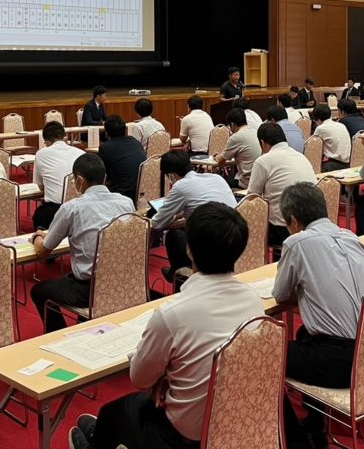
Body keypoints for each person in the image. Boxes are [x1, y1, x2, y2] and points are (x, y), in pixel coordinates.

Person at [73, 203, 261, 449]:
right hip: (235, 419)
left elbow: (140, 378)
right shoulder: (253, 300)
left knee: (114, 412)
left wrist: (161, 377)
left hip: (186, 434)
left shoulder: (173, 314)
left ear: (189, 250)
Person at [273, 182, 364, 449]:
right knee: (304, 333)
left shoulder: (296, 243)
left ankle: (299, 440)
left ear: (294, 220)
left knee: (264, 359)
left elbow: (280, 294)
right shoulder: (352, 238)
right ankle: (315, 421)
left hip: (339, 360)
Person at [30, 154, 134, 332]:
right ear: (104, 177)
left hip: (89, 289)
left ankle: (58, 334)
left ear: (80, 181)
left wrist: (38, 236)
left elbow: (43, 251)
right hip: (123, 280)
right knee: (69, 278)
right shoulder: (126, 203)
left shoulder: (72, 208)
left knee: (39, 291)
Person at [152, 151, 237, 275]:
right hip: (235, 236)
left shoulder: (181, 186)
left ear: (171, 175)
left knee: (174, 235)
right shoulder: (216, 177)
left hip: (212, 242)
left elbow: (157, 223)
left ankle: (181, 274)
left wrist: (173, 218)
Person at [247, 123, 316, 248]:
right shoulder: (301, 157)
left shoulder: (263, 160)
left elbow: (252, 198)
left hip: (284, 229)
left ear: (262, 143)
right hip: (311, 226)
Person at [32, 120, 84, 229]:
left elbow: (41, 187)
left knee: (39, 215)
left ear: (47, 142)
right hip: (81, 208)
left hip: (56, 210)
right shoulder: (81, 153)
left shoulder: (41, 154)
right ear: (64, 137)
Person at [98, 115, 146, 200]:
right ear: (125, 130)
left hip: (122, 194)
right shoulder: (135, 142)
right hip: (143, 191)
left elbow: (103, 175)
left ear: (106, 133)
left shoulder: (105, 148)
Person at [216, 108, 260, 188]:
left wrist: (215, 156)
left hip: (246, 182)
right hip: (258, 180)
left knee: (220, 181)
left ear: (232, 124)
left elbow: (220, 161)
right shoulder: (256, 132)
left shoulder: (236, 137)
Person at [311, 104, 351, 172]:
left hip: (331, 166)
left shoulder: (321, 128)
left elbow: (311, 145)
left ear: (318, 119)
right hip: (348, 164)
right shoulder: (341, 125)